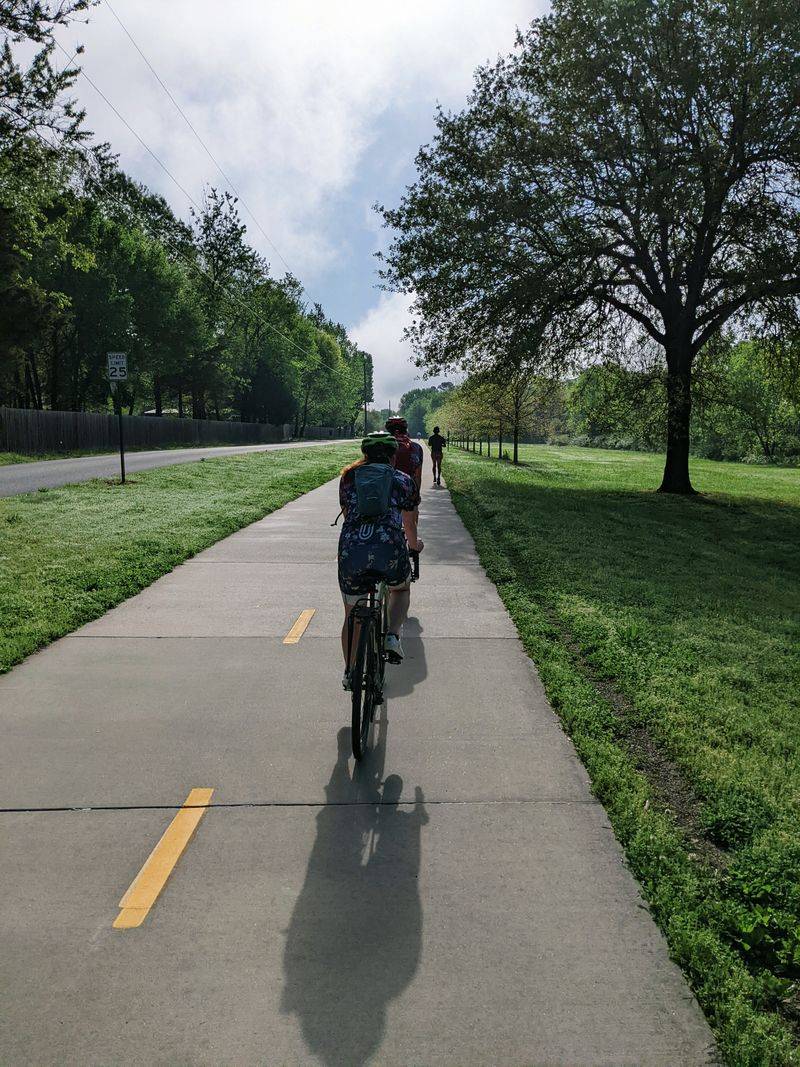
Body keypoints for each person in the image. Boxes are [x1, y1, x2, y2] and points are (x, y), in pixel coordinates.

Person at [338, 431, 419, 687]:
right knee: (401, 588)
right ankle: (392, 636)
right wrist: (415, 545)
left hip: (353, 550)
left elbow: (347, 510)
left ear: (365, 454)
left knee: (352, 613)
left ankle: (350, 672)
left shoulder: (349, 477)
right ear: (394, 455)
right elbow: (409, 520)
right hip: (389, 548)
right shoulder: (403, 479)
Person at [385, 416, 424, 553]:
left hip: (384, 492)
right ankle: (412, 543)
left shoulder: (381, 448)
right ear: (405, 429)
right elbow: (417, 476)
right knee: (413, 514)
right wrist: (416, 495)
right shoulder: (416, 448)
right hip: (408, 490)